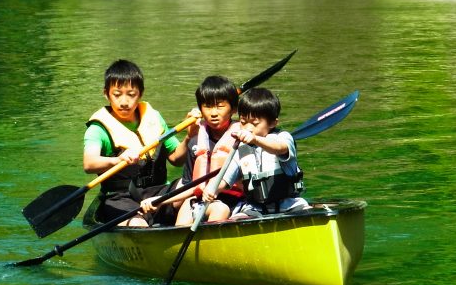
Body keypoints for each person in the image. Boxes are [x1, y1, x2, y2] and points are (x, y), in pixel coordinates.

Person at [84, 59, 187, 226]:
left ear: (140, 94)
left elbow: (177, 159)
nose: (124, 102)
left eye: (131, 95)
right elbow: (89, 163)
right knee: (137, 224)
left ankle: (182, 231)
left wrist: (190, 137)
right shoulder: (98, 129)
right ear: (106, 94)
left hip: (158, 193)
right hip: (120, 198)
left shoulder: (153, 118)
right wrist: (118, 160)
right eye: (117, 95)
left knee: (189, 185)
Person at [142, 75, 243, 226]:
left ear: (234, 109)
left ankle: (214, 242)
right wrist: (159, 201)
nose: (213, 113)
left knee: (219, 209)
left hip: (234, 203)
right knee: (185, 211)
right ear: (201, 110)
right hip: (199, 201)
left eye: (220, 106)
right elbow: (189, 185)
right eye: (208, 106)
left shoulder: (243, 138)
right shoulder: (196, 142)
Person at [203, 87, 309, 219]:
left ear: (272, 123)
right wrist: (213, 188)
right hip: (255, 208)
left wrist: (256, 139)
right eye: (243, 122)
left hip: (291, 205)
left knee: (307, 211)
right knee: (235, 220)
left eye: (255, 123)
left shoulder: (283, 137)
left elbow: (280, 148)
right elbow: (225, 179)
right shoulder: (240, 149)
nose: (248, 128)